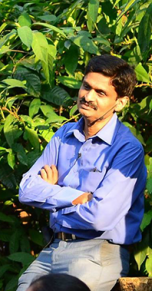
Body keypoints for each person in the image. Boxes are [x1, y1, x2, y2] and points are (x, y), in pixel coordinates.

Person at [17, 55, 145, 291]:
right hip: (54, 247)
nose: (88, 96)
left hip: (96, 253)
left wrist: (51, 196)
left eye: (100, 92)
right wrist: (75, 197)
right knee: (25, 287)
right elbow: (26, 190)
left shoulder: (127, 148)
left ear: (120, 103)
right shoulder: (64, 134)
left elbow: (99, 218)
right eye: (86, 86)